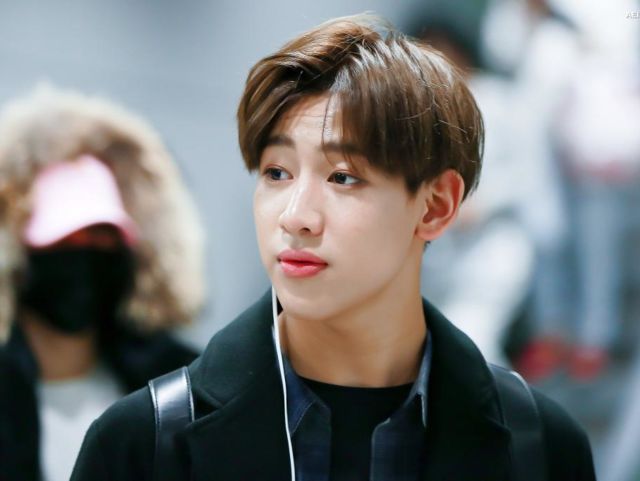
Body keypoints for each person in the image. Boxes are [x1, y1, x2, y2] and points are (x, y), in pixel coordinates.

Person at [71, 15, 595, 481]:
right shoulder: (144, 442)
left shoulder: (541, 447)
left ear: (436, 206)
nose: (295, 215)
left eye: (342, 177)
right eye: (276, 173)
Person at [0, 86, 205, 481]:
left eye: (102, 237)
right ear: (16, 251)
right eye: (63, 241)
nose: (84, 256)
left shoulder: (179, 391)